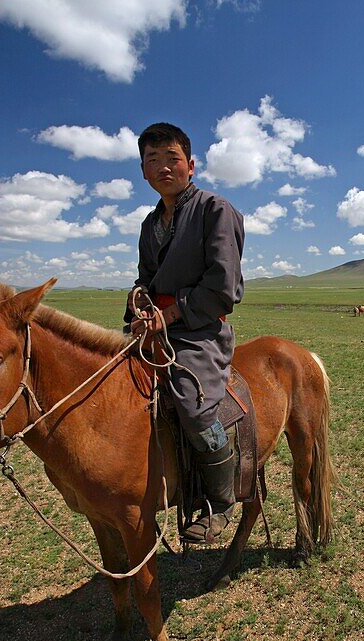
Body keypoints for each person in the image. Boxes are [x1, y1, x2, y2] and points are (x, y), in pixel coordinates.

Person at [124, 122, 245, 543]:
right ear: (143, 171)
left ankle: (220, 502)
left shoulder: (216, 210)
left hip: (199, 331)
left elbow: (223, 288)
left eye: (172, 159)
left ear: (190, 166)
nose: (163, 168)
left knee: (194, 406)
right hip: (155, 330)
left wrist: (172, 314)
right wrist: (139, 304)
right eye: (152, 161)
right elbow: (145, 278)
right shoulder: (149, 224)